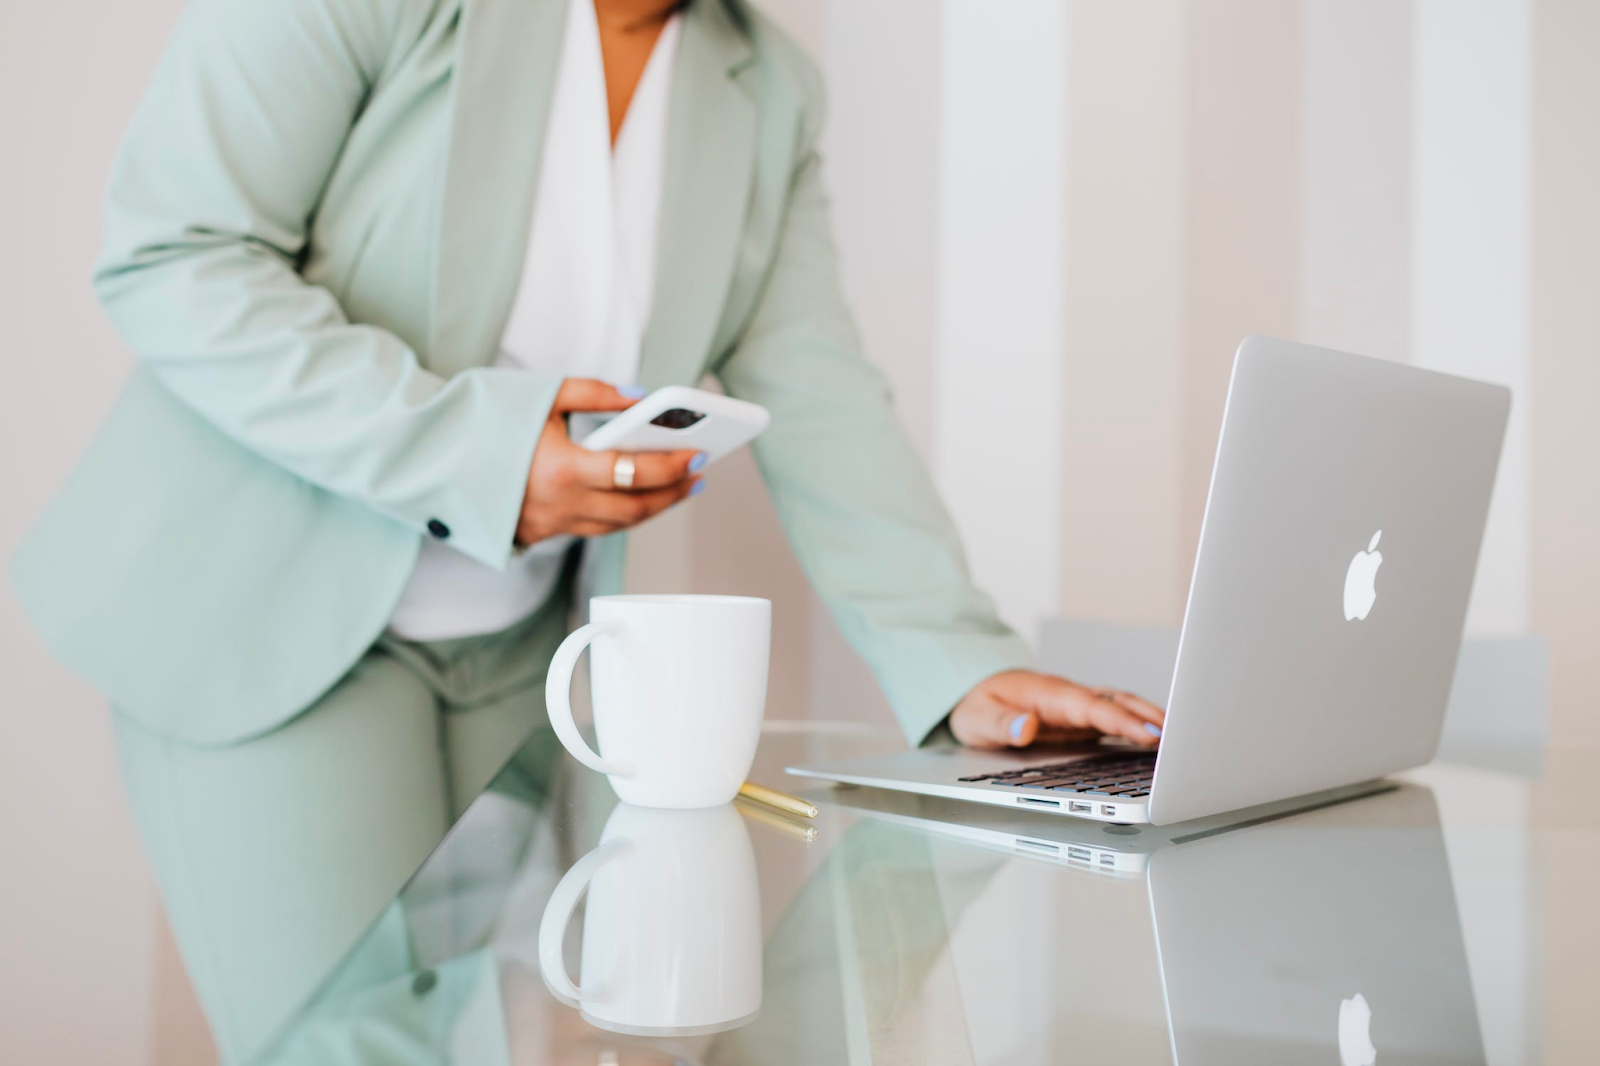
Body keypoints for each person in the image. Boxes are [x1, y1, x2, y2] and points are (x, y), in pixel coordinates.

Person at [11, 0, 1163, 1057]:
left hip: (532, 662)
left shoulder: (767, 88)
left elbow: (820, 392)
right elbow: (176, 254)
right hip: (262, 622)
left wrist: (961, 658)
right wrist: (484, 456)